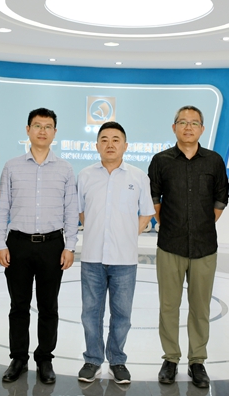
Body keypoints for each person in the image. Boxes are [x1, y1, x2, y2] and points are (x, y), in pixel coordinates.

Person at [0, 107, 78, 385]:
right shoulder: (12, 166)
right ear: (27, 130)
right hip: (18, 243)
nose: (43, 131)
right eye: (37, 126)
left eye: (48, 126)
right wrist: (0, 243)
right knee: (19, 305)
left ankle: (44, 358)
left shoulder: (65, 169)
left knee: (48, 306)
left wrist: (70, 246)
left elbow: (71, 211)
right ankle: (18, 358)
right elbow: (2, 207)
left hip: (53, 245)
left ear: (55, 132)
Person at [147, 105, 229, 388]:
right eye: (182, 122)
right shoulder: (161, 160)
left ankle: (197, 361)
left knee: (200, 307)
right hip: (170, 245)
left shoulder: (214, 161)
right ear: (174, 128)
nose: (188, 127)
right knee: (169, 305)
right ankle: (170, 358)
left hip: (205, 246)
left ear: (202, 129)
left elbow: (221, 198)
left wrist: (202, 223)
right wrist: (173, 223)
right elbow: (154, 198)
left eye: (194, 123)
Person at [76, 122, 155, 385]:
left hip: (125, 259)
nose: (110, 144)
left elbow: (146, 213)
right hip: (92, 257)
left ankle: (118, 360)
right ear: (96, 145)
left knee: (122, 315)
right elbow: (81, 212)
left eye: (116, 139)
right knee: (91, 314)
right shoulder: (85, 176)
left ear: (125, 145)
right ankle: (92, 360)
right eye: (104, 139)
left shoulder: (138, 177)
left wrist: (128, 235)